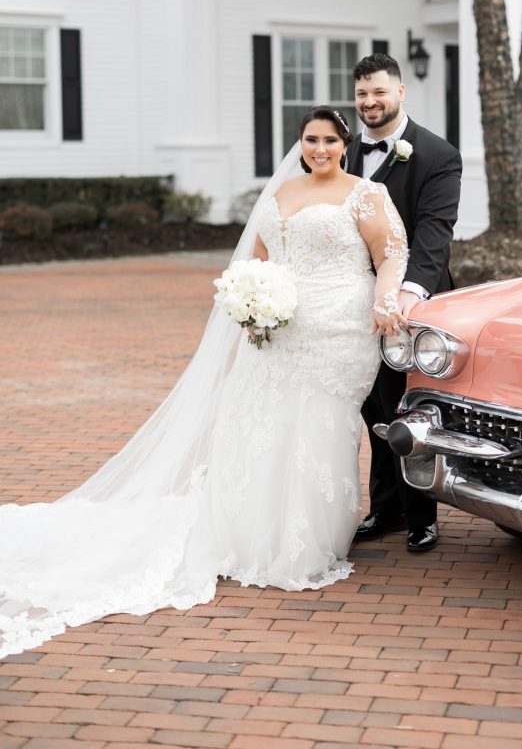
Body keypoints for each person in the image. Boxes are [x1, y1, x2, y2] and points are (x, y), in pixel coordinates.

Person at [0, 106, 407, 660]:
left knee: (320, 424)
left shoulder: (365, 194)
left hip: (339, 328)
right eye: (310, 139)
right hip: (278, 328)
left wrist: (385, 302)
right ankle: (248, 535)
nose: (318, 149)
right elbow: (260, 259)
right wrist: (253, 303)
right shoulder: (281, 192)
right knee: (259, 422)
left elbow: (391, 254)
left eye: (330, 141)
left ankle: (303, 543)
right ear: (300, 142)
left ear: (345, 144)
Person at [346, 53, 463, 553]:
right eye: (361, 95)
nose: (370, 103)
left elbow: (435, 235)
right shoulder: (341, 152)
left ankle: (422, 516)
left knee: (405, 409)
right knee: (369, 404)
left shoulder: (437, 155)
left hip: (412, 301)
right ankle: (385, 509)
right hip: (349, 297)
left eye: (379, 92)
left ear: (400, 92)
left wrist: (404, 299)